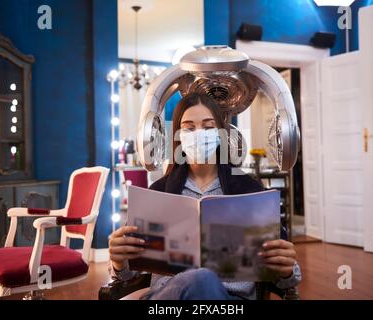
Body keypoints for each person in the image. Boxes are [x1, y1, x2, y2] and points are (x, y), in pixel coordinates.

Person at [109, 92, 301, 300]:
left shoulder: (250, 191)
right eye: (189, 128)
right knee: (199, 280)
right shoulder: (157, 192)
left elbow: (288, 279)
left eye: (208, 127)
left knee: (203, 281)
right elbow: (129, 273)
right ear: (178, 135)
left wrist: (287, 269)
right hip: (170, 297)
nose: (199, 134)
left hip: (230, 300)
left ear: (220, 134)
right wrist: (119, 261)